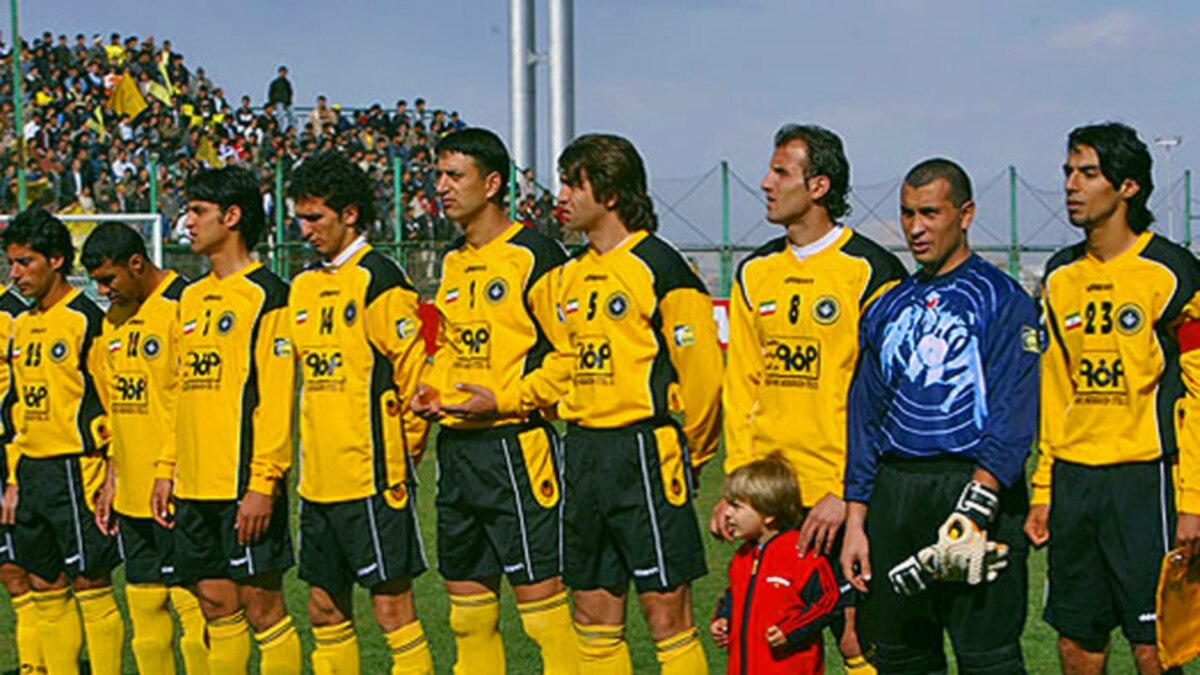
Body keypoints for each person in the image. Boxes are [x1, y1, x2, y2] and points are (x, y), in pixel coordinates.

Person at [714, 123, 904, 674]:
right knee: (772, 640)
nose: (765, 183)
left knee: (855, 638)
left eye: (781, 172)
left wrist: (847, 490)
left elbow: (886, 401)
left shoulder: (871, 272)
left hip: (840, 496)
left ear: (818, 186)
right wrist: (737, 491)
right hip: (772, 501)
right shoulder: (755, 272)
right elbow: (742, 387)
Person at [841, 159, 1038, 674]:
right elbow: (864, 417)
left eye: (929, 213)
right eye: (907, 214)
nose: (915, 228)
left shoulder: (1004, 300)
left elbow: (1014, 415)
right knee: (903, 658)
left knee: (988, 659)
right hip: (896, 495)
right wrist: (857, 519)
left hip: (973, 488)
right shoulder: (886, 308)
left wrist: (977, 505)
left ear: (965, 214)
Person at [1025, 122, 1200, 675]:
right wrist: (1044, 485)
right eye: (1069, 173)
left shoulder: (1173, 274)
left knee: (1154, 648)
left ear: (1128, 187)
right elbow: (1054, 388)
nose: (1072, 185)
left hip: (1145, 483)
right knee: (1077, 643)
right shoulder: (1059, 277)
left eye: (1089, 173)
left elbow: (1198, 392)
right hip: (1075, 484)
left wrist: (1193, 499)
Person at [549, 133, 722, 674]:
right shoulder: (569, 276)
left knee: (666, 614)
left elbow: (704, 379)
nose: (563, 196)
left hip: (644, 452)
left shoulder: (660, 266)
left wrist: (690, 454)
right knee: (592, 614)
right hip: (581, 453)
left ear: (611, 193)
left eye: (573, 183)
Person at [410, 127, 576, 674]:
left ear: (493, 183)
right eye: (439, 175)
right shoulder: (454, 262)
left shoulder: (536, 255)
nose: (442, 187)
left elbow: (569, 360)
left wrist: (504, 400)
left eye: (454, 175)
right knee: (467, 617)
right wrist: (433, 386)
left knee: (543, 618)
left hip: (515, 450)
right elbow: (452, 348)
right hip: (457, 454)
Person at [288, 151, 435, 674]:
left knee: (392, 608)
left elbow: (415, 379)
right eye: (300, 218)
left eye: (315, 218)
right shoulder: (304, 286)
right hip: (317, 482)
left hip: (371, 477)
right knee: (323, 609)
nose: (304, 229)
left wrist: (403, 455)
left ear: (349, 214)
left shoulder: (379, 279)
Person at [154, 166, 301, 674]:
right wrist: (166, 467)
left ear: (231, 216)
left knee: (263, 609)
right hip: (193, 485)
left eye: (197, 211)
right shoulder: (189, 299)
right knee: (216, 606)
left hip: (243, 483)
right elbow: (178, 392)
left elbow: (277, 399)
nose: (186, 222)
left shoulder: (268, 294)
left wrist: (263, 482)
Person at [80, 222, 209, 675]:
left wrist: (167, 469)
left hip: (177, 484)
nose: (102, 291)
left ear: (137, 263)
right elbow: (118, 408)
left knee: (194, 603)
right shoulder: (113, 321)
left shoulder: (183, 304)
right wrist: (113, 478)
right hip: (132, 488)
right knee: (144, 603)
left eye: (108, 279)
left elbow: (187, 402)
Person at [1, 208, 125, 675]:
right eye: (10, 263)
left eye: (24, 262)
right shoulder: (21, 323)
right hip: (31, 471)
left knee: (90, 584)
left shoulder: (87, 320)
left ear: (55, 260)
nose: (15, 274)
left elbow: (114, 407)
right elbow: (14, 409)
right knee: (43, 584)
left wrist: (112, 477)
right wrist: (13, 479)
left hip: (77, 469)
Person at [711, 454, 843, 675]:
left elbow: (828, 600)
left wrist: (791, 631)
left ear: (768, 514)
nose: (728, 514)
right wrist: (723, 618)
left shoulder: (800, 554)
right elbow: (734, 594)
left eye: (737, 506)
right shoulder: (742, 558)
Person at [0, 284, 45, 674]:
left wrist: (14, 473)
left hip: (8, 455)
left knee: (21, 571)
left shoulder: (16, 314)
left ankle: (36, 664)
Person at [266, 65, 293, 131]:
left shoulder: (287, 83)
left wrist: (289, 101)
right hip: (278, 102)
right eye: (282, 72)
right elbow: (271, 93)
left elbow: (290, 92)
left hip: (287, 102)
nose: (283, 74)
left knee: (293, 116)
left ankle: (291, 130)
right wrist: (272, 103)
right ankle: (280, 130)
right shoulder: (275, 82)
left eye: (284, 72)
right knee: (281, 117)